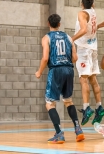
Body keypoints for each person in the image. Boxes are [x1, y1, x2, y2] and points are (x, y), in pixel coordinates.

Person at [35, 14, 84, 144]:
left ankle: (59, 133)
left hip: (56, 70)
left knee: (49, 103)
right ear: (59, 24)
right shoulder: (68, 37)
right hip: (69, 70)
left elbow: (45, 58)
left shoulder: (46, 38)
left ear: (48, 23)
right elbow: (75, 58)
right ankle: (78, 129)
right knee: (68, 101)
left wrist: (39, 72)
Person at [72, 0, 104, 126]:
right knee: (93, 79)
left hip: (84, 49)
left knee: (83, 80)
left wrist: (71, 38)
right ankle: (99, 106)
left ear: (81, 4)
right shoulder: (93, 10)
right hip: (93, 48)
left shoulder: (82, 13)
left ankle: (86, 108)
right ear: (91, 3)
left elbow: (84, 29)